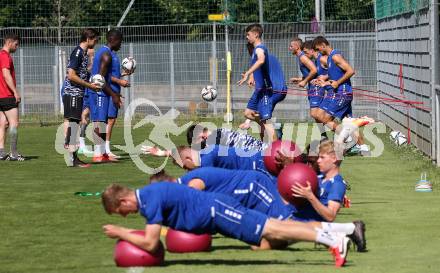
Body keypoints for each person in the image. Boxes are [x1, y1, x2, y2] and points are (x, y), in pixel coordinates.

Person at [102, 182, 352, 267]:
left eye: (120, 211)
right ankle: (340, 232)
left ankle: (333, 239)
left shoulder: (148, 200)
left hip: (218, 212)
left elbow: (151, 243)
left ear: (124, 200)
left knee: (275, 229)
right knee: (275, 226)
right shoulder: (148, 196)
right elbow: (157, 250)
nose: (124, 217)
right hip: (218, 211)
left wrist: (120, 232)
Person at [150, 167, 366, 252]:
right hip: (246, 200)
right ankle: (338, 233)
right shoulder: (185, 184)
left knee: (286, 221)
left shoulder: (190, 184)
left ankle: (346, 230)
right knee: (262, 245)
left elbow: (204, 207)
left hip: (253, 189)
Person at [312, 36, 370, 154]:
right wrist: (324, 80)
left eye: (319, 49)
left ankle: (348, 138)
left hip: (342, 93)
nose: (319, 52)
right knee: (348, 123)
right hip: (340, 92)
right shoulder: (329, 58)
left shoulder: (335, 56)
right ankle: (364, 148)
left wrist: (337, 82)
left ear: (323, 45)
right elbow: (336, 75)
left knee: (324, 118)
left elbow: (350, 70)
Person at [61, 28, 100, 167]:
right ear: (89, 39)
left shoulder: (83, 53)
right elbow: (71, 75)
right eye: (95, 40)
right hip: (73, 93)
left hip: (77, 93)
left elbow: (81, 73)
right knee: (74, 123)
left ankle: (74, 157)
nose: (96, 42)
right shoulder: (78, 53)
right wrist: (89, 85)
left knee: (75, 123)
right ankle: (72, 157)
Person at [88, 29, 123, 163]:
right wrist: (114, 95)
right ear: (113, 40)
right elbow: (100, 79)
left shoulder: (105, 52)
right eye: (120, 41)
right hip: (98, 92)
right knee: (99, 122)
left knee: (101, 122)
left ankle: (101, 153)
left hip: (102, 92)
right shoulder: (106, 55)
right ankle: (98, 155)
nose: (120, 44)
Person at [237, 24, 276, 142]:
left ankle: (276, 146)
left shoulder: (259, 49)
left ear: (256, 34)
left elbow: (261, 60)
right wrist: (252, 76)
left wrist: (248, 73)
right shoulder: (255, 50)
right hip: (259, 90)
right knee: (248, 113)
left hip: (265, 90)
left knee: (265, 121)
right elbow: (259, 65)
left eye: (248, 34)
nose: (247, 37)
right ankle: (265, 129)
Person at [239, 42, 287, 136]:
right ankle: (266, 144)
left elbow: (260, 66)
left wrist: (250, 75)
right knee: (252, 114)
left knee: (264, 120)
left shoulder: (260, 59)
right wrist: (251, 77)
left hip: (270, 91)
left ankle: (274, 143)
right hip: (277, 90)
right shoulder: (270, 57)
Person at [172, 144, 275, 182]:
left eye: (185, 167)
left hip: (258, 164)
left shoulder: (207, 158)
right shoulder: (206, 153)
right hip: (258, 161)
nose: (188, 170)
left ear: (188, 158)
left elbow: (207, 180)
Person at [0, 33, 23, 161]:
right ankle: (14, 153)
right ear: (10, 42)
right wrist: (15, 91)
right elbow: (6, 75)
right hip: (7, 95)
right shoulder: (5, 56)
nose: (17, 47)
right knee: (14, 123)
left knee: (2, 123)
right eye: (16, 44)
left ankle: (1, 152)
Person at [105, 50, 132, 158]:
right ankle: (105, 150)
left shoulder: (113, 56)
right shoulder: (107, 55)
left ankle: (104, 149)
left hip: (113, 91)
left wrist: (122, 75)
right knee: (108, 120)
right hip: (109, 91)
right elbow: (105, 76)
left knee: (110, 120)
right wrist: (120, 82)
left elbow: (112, 76)